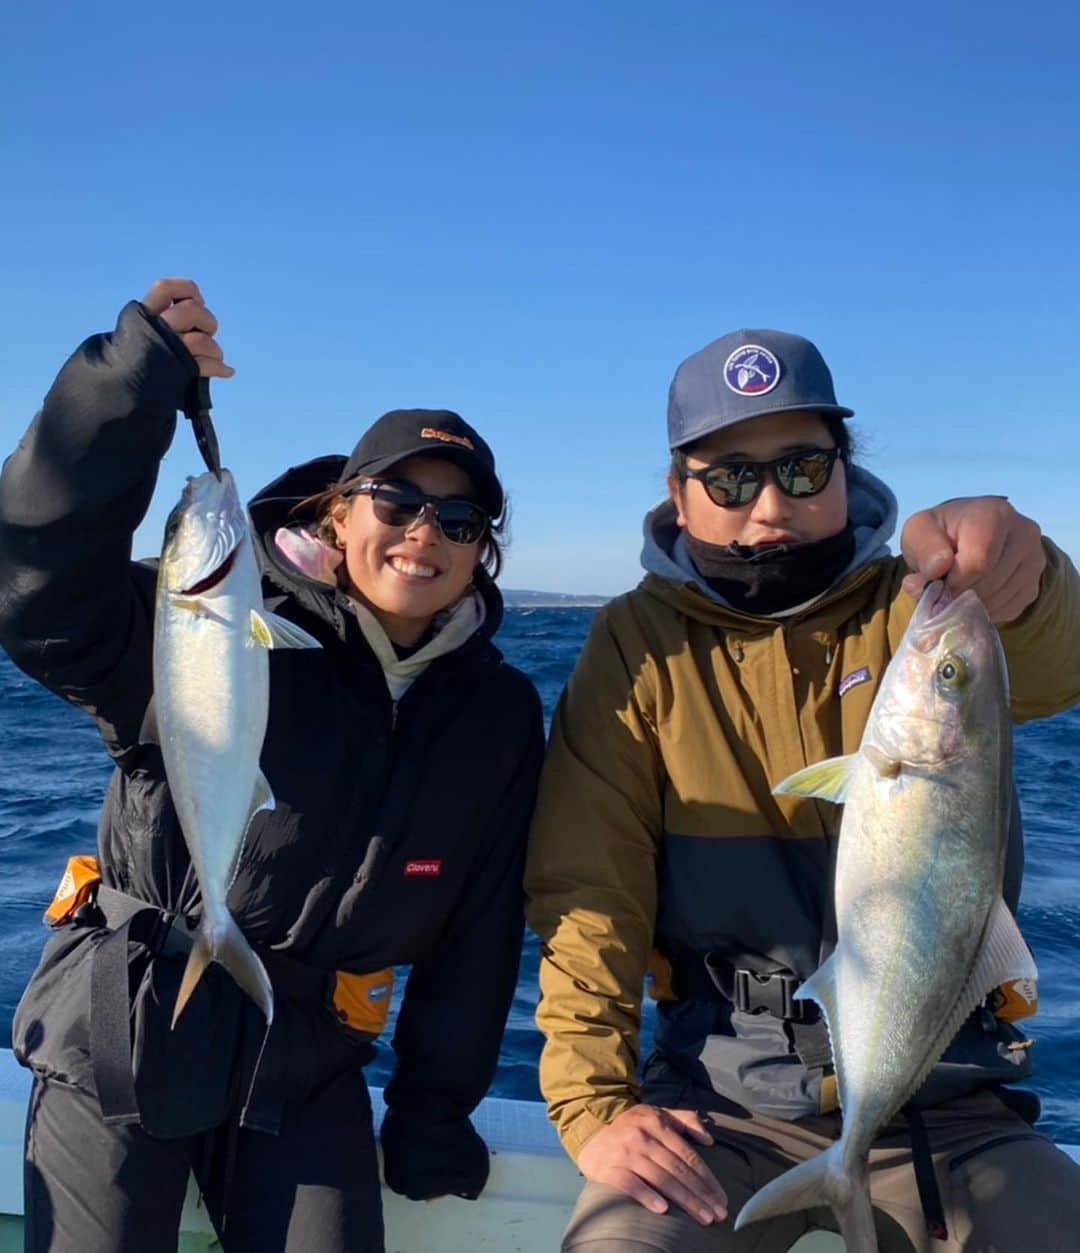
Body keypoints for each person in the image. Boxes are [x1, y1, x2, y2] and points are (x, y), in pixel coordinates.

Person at [0, 278, 544, 1253]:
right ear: (338, 512)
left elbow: (479, 928)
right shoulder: (213, 625)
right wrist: (126, 390)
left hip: (308, 1061)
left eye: (459, 521)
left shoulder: (494, 711)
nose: (425, 532)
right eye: (398, 499)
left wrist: (431, 1106)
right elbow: (40, 587)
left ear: (482, 552)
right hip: (125, 1019)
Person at [524, 328, 1080, 1251]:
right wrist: (592, 1102)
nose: (771, 502)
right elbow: (591, 893)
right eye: (731, 477)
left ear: (843, 468)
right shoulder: (633, 644)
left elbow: (1053, 667)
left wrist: (1029, 579)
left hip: (950, 1102)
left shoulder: (922, 607)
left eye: (803, 466)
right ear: (678, 492)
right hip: (719, 1104)